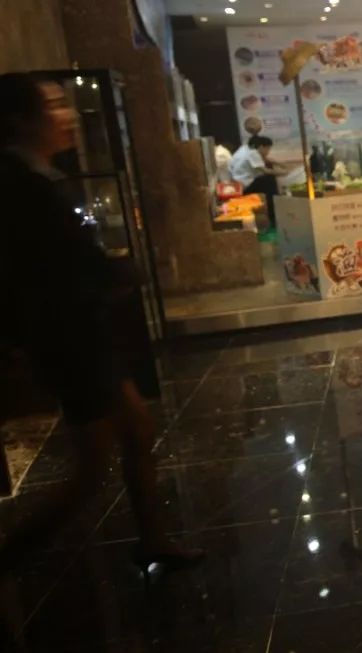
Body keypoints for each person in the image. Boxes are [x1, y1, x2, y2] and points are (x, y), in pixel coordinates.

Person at [0, 73, 203, 576]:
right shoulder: (18, 182)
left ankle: (153, 540)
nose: (68, 116)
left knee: (137, 431)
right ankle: (10, 557)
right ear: (21, 119)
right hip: (67, 340)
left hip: (84, 335)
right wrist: (112, 273)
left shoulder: (38, 174)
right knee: (92, 469)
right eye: (53, 105)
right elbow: (44, 268)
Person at [229, 135, 287, 229]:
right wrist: (283, 173)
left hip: (238, 183)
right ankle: (274, 215)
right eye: (268, 149)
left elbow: (266, 159)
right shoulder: (253, 153)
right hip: (244, 185)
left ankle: (274, 212)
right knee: (269, 180)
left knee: (267, 178)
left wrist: (280, 164)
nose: (268, 152)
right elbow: (266, 171)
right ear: (261, 147)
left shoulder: (244, 149)